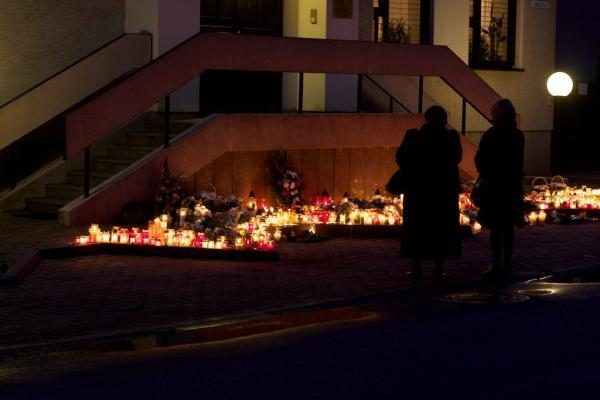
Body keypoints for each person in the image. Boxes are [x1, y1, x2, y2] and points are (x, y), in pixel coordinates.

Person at [396, 105, 462, 279]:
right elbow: (456, 158)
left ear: (426, 118)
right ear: (444, 120)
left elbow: (402, 159)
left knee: (418, 227)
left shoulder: (414, 137)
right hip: (443, 191)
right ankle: (439, 267)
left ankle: (417, 267)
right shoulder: (450, 138)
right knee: (440, 228)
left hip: (418, 191)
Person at [475, 98, 525, 281]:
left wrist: (485, 170)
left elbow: (481, 160)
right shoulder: (518, 135)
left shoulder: (491, 134)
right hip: (511, 185)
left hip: (495, 185)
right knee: (508, 226)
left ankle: (496, 263)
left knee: (496, 228)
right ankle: (507, 263)